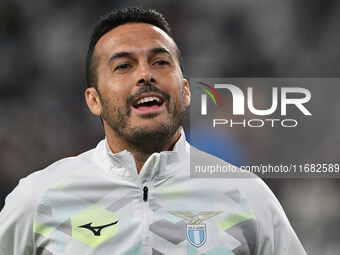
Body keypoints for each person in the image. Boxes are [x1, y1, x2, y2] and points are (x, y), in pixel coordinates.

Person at [0, 7, 306, 255]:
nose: (146, 74)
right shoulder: (39, 198)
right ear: (94, 100)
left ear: (185, 91)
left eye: (160, 62)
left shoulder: (247, 195)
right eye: (123, 66)